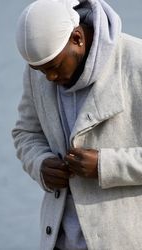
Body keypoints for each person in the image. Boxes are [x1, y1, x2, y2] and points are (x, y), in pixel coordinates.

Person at [12, 0, 142, 249]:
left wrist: (105, 165)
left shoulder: (136, 64)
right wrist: (40, 163)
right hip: (58, 241)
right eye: (39, 71)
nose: (49, 78)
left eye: (54, 67)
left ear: (77, 38)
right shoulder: (41, 67)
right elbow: (25, 132)